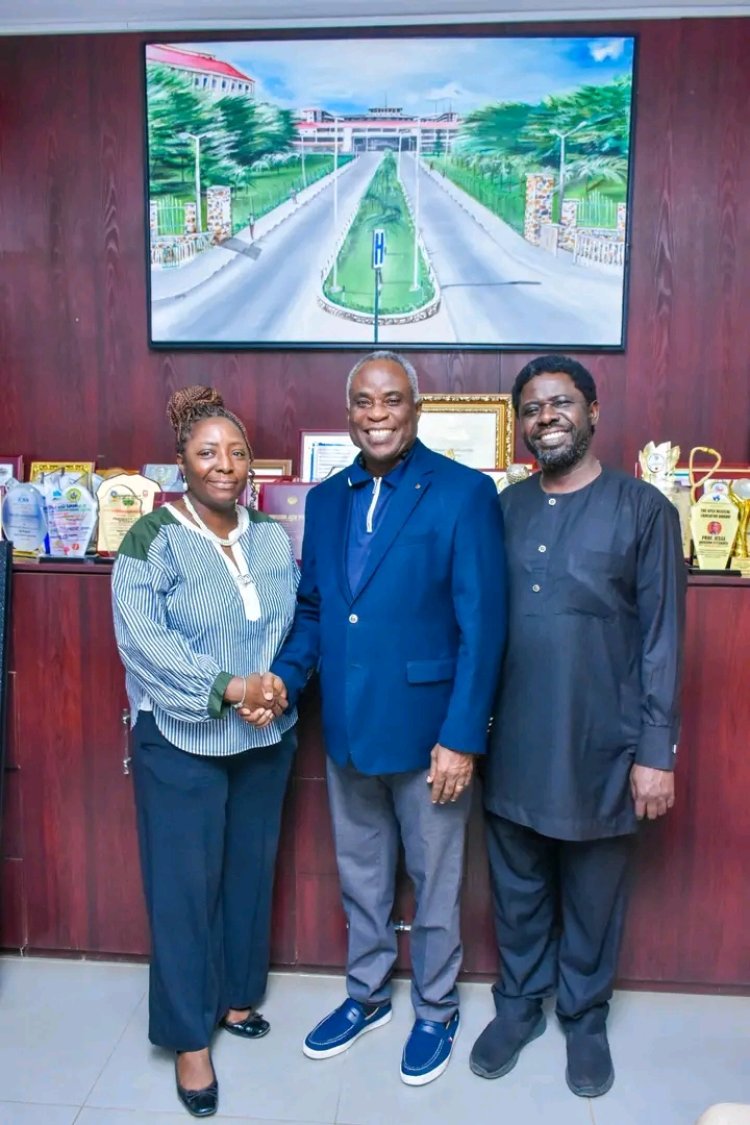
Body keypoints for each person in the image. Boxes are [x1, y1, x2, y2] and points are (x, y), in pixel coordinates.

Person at [265, 350, 507, 1086]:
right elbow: (315, 607)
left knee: (436, 880)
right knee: (361, 874)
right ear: (349, 413)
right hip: (346, 724)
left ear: (416, 407)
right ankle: (366, 995)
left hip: (433, 733)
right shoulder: (332, 496)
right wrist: (283, 675)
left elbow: (483, 624)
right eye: (363, 402)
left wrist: (463, 736)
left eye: (391, 400)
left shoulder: (464, 492)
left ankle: (436, 1008)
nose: (376, 414)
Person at [470, 355, 686, 1098]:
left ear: (593, 411)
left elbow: (662, 640)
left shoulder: (644, 509)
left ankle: (584, 1015)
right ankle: (520, 1004)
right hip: (515, 740)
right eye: (531, 408)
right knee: (518, 886)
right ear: (521, 424)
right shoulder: (502, 509)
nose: (546, 417)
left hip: (605, 745)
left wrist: (656, 753)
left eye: (561, 402)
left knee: (594, 892)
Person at [112, 386, 297, 1118]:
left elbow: (287, 624)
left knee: (248, 874)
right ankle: (190, 1037)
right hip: (180, 739)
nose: (226, 464)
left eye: (237, 451)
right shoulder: (150, 536)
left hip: (262, 737)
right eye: (207, 452)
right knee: (185, 890)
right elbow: (144, 641)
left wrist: (271, 688)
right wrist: (228, 686)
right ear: (182, 462)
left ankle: (233, 998)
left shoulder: (273, 537)